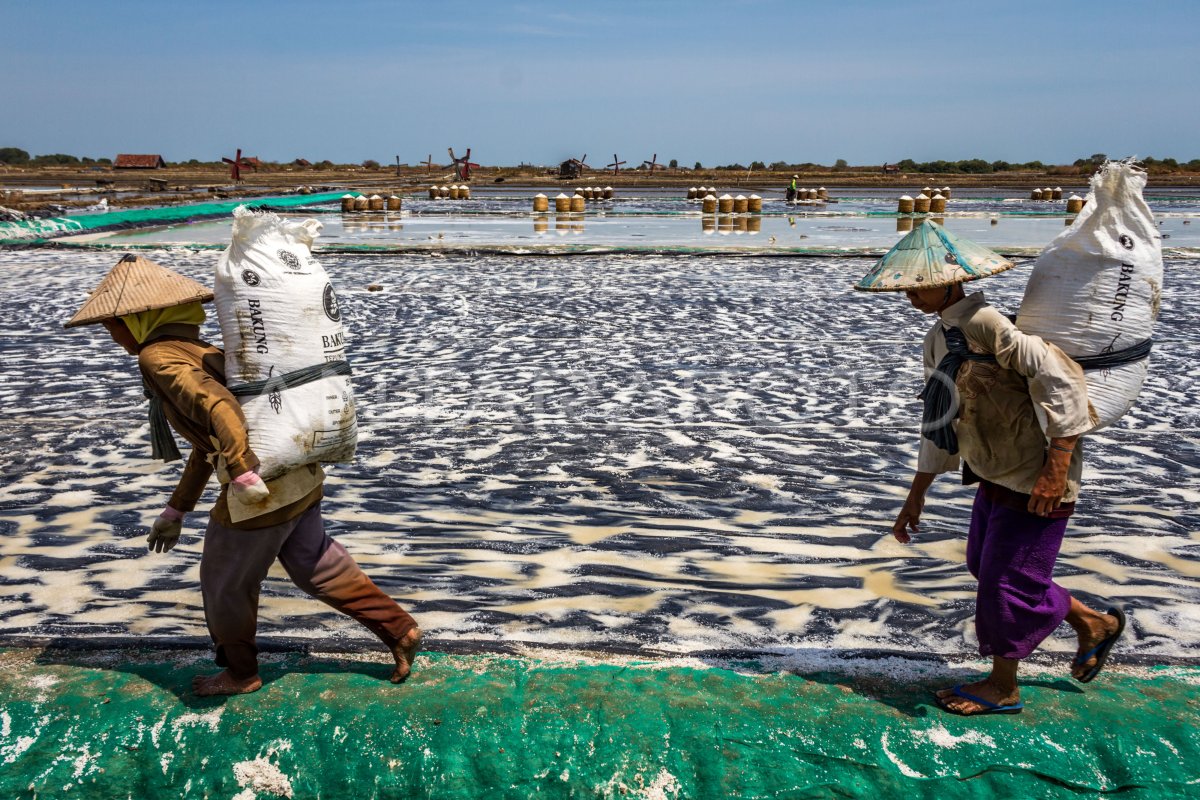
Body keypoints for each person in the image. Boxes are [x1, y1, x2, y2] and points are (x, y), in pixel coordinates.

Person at [65, 254, 422, 696]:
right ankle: (399, 629)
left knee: (224, 583)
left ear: (139, 318)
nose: (111, 334)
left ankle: (240, 672)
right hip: (299, 476)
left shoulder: (157, 356)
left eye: (112, 324)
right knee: (319, 566)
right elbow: (204, 444)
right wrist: (176, 510)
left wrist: (242, 472)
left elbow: (221, 410)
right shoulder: (202, 350)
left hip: (262, 489)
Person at [854, 222, 1125, 717]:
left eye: (923, 285)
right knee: (986, 566)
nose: (914, 295)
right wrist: (917, 493)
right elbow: (939, 417)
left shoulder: (986, 322)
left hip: (1037, 474)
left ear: (953, 280)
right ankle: (1093, 622)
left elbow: (1060, 377)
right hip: (995, 472)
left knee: (1006, 581)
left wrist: (1057, 467)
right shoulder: (939, 338)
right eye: (908, 287)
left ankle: (1004, 687)